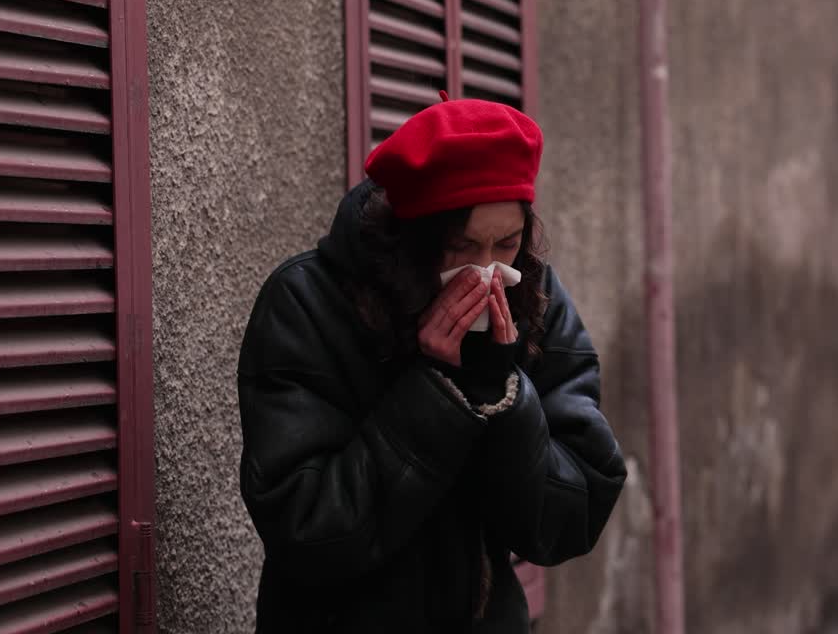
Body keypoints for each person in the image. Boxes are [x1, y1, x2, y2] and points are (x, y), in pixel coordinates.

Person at [237, 94, 626, 633]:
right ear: (411, 240)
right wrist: (436, 393)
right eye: (461, 247)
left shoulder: (534, 297)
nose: (487, 269)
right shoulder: (306, 304)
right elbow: (306, 526)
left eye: (507, 244)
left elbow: (571, 515)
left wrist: (499, 392)